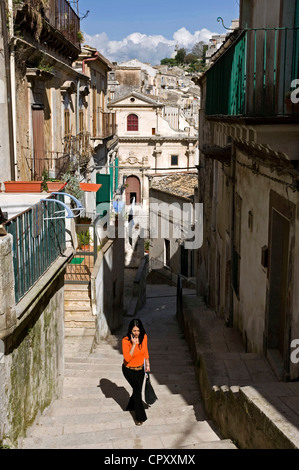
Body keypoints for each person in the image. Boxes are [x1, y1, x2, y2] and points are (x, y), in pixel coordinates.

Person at [122, 319, 150, 425]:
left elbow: (145, 350)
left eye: (138, 330)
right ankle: (140, 417)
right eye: (134, 331)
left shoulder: (144, 337)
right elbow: (127, 358)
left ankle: (130, 406)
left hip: (140, 369)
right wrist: (133, 345)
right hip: (128, 370)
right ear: (130, 330)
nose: (136, 333)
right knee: (138, 391)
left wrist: (147, 364)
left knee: (136, 390)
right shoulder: (125, 340)